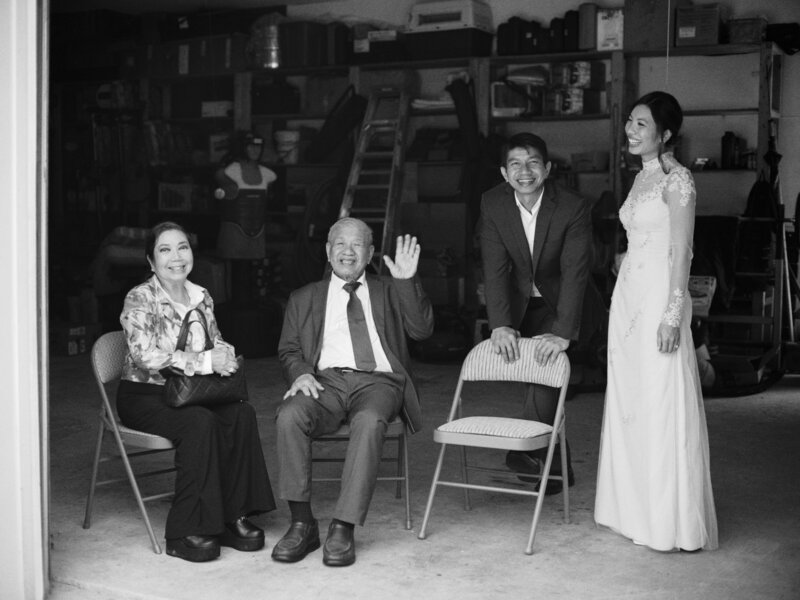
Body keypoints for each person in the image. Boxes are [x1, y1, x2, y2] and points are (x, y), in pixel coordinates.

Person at [594, 91, 718, 551]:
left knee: (660, 398)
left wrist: (672, 315)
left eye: (641, 124)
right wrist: (628, 258)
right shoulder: (641, 177)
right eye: (630, 121)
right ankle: (630, 510)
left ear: (665, 135)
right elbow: (648, 235)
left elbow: (681, 250)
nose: (631, 129)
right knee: (631, 401)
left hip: (659, 303)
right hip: (628, 298)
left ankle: (667, 521)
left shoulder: (677, 180)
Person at [271, 217, 433, 567]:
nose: (348, 251)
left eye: (357, 244)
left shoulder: (390, 289)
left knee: (371, 420)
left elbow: (421, 331)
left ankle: (343, 526)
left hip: (379, 382)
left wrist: (406, 281)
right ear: (328, 252)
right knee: (289, 415)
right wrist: (299, 374)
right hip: (324, 382)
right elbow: (289, 349)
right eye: (340, 244)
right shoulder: (303, 297)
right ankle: (301, 523)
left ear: (370, 252)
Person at [116, 221, 276, 562]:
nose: (176, 257)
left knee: (241, 413)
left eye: (183, 247)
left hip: (190, 391)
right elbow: (144, 356)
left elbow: (214, 338)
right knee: (199, 423)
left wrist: (224, 354)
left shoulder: (201, 295)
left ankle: (233, 516)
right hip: (145, 395)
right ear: (151, 262)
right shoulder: (141, 298)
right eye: (165, 249)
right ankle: (184, 530)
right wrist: (204, 362)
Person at [479, 132, 592, 494]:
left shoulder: (573, 206)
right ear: (503, 171)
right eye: (515, 164)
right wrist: (500, 325)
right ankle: (558, 470)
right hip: (521, 303)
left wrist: (562, 331)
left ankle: (523, 449)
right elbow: (494, 267)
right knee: (538, 383)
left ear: (547, 168)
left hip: (562, 303)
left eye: (532, 163)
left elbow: (575, 271)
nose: (524, 172)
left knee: (543, 367)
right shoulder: (493, 203)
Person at [214, 131, 277, 304]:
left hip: (257, 233)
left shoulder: (268, 174)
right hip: (234, 233)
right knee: (235, 282)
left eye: (258, 146)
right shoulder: (228, 172)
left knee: (250, 281)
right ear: (242, 148)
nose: (255, 150)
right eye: (251, 146)